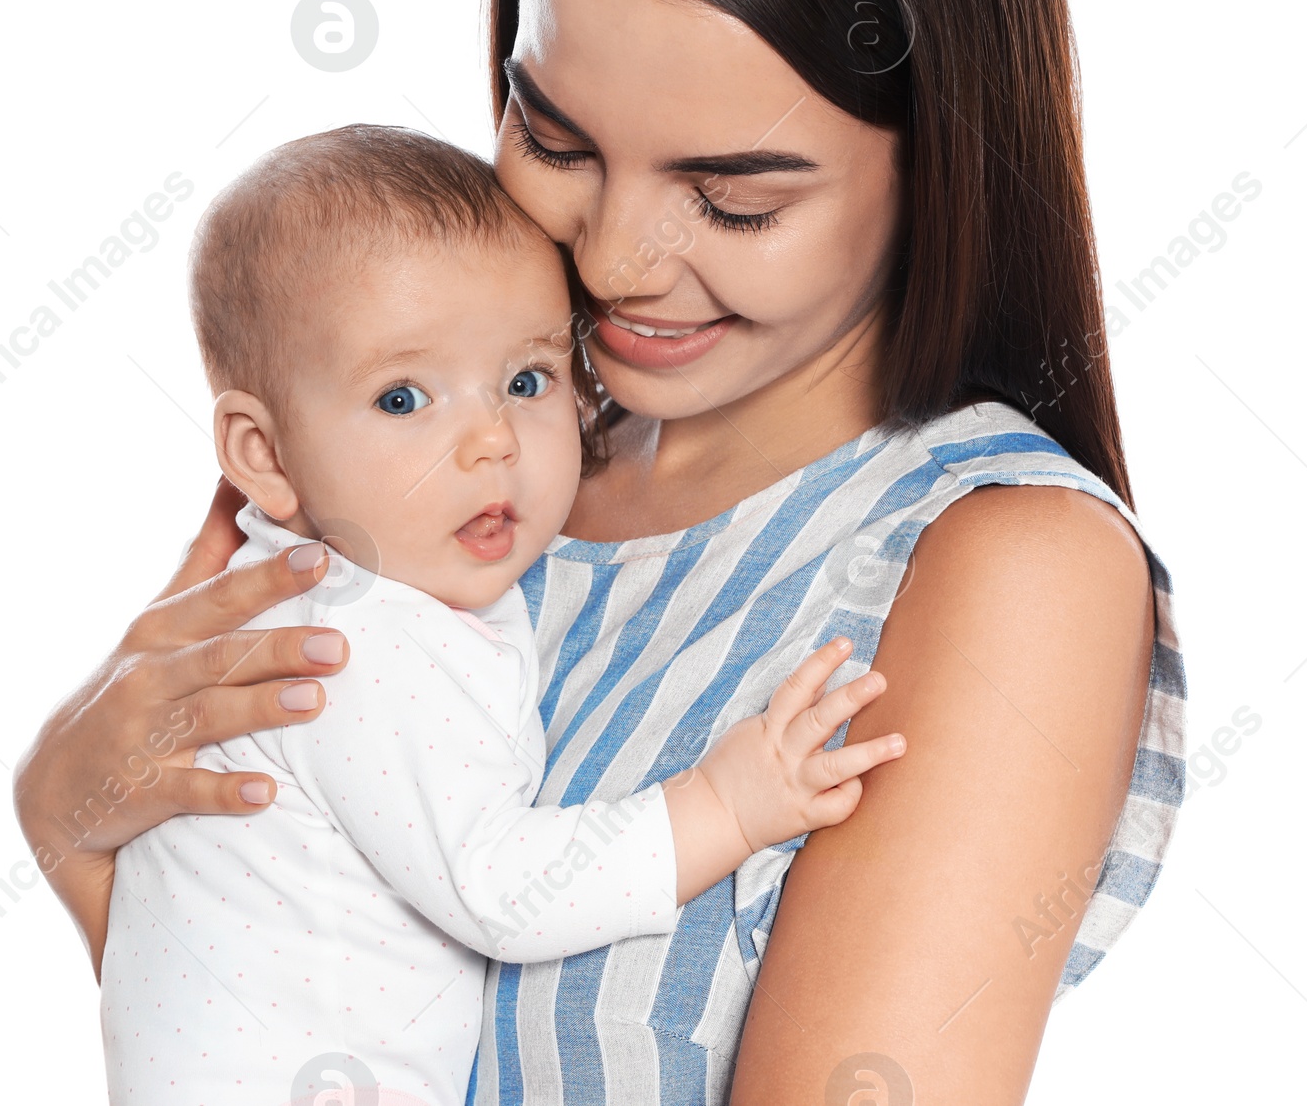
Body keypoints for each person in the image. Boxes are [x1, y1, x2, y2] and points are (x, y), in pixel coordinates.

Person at [15, 0, 1187, 1105]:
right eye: (554, 136)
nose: (618, 257)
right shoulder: (460, 461)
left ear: (943, 159)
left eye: (733, 196)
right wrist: (73, 829)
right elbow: (272, 1009)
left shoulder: (1000, 565)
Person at [100, 126, 903, 1105]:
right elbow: (497, 886)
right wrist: (723, 807)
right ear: (263, 455)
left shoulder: (373, 596)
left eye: (526, 381)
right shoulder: (347, 643)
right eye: (404, 397)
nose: (488, 440)